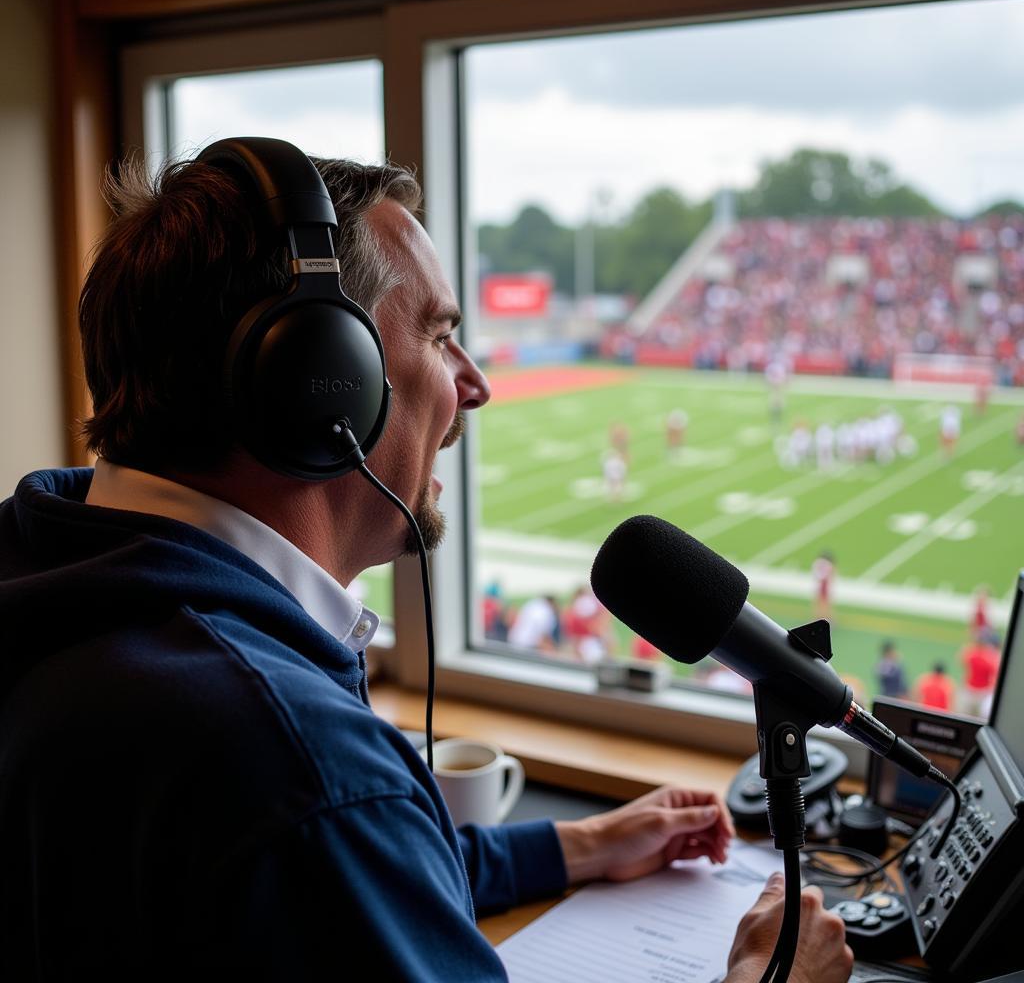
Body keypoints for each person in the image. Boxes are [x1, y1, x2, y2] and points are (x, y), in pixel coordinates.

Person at [0, 145, 851, 980]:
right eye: (442, 337)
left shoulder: (51, 571)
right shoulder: (288, 759)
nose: (474, 384)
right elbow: (324, 829)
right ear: (322, 379)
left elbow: (328, 877)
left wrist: (573, 845)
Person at [961, 631, 1001, 718]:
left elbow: (962, 660)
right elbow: (994, 672)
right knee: (979, 718)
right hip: (982, 691)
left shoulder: (971, 653)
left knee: (967, 716)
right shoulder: (989, 657)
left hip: (973, 689)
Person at [811, 550, 836, 623]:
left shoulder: (818, 562)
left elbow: (816, 573)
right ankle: (826, 618)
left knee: (820, 603)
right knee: (825, 603)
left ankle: (821, 618)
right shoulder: (828, 564)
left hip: (821, 584)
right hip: (824, 584)